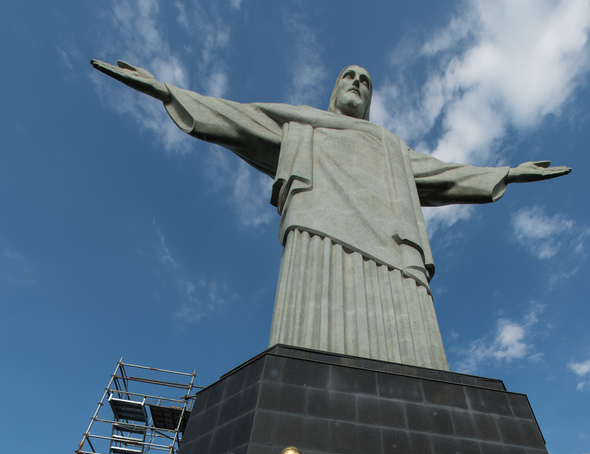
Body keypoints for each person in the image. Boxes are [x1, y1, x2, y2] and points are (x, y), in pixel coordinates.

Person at [89, 60, 570, 371]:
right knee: (307, 340)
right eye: (349, 77)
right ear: (334, 88)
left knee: (415, 351)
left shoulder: (389, 147)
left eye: (366, 82)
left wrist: (507, 172)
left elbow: (445, 174)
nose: (357, 84)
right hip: (318, 232)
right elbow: (235, 118)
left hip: (393, 247)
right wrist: (167, 91)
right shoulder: (300, 124)